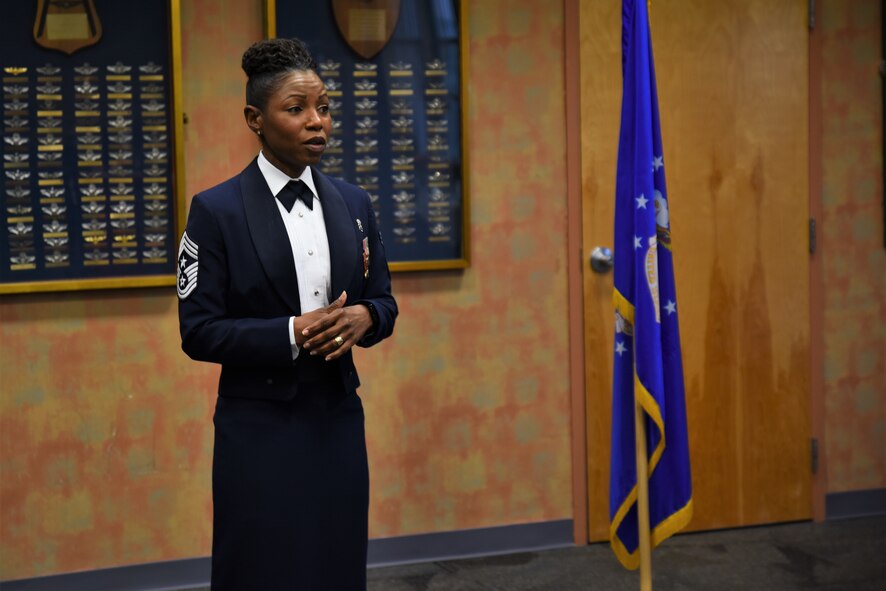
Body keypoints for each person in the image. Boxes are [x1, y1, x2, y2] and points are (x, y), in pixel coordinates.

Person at [177, 37, 397, 590]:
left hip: (337, 418)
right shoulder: (215, 211)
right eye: (296, 109)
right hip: (259, 425)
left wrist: (365, 320)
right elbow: (198, 331)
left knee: (337, 561)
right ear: (255, 118)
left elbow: (384, 301)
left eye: (323, 107)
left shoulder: (355, 203)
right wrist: (291, 333)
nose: (317, 122)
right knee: (260, 566)